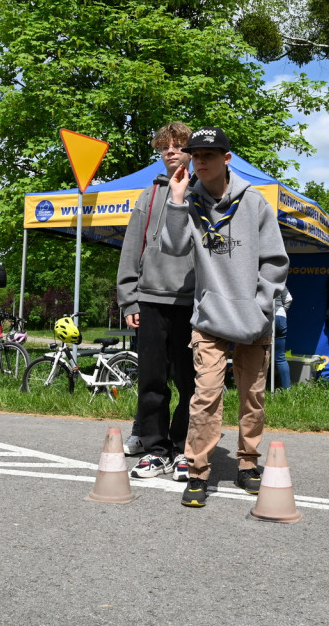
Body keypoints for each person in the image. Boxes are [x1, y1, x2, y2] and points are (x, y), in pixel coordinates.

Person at [161, 126, 288, 507]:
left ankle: (247, 464)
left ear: (226, 159)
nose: (199, 161)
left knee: (252, 396)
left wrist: (261, 303)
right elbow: (173, 247)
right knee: (206, 396)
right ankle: (198, 472)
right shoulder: (188, 200)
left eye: (208, 155)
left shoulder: (254, 203)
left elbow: (276, 261)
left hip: (252, 316)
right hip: (210, 316)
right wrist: (177, 198)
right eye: (195, 155)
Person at [116, 122, 195, 480]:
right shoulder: (148, 194)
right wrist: (129, 299)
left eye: (178, 145)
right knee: (151, 380)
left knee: (190, 381)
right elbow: (132, 246)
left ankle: (181, 447)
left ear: (191, 152)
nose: (171, 151)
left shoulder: (204, 191)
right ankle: (155, 448)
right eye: (165, 146)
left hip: (191, 302)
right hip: (150, 299)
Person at [274, 285, 293, 390]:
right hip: (281, 317)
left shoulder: (256, 277)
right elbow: (289, 298)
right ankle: (286, 389)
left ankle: (256, 389)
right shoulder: (279, 280)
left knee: (260, 355)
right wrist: (282, 311)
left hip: (265, 316)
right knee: (280, 357)